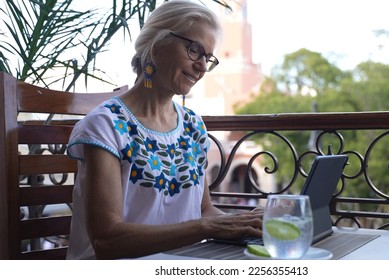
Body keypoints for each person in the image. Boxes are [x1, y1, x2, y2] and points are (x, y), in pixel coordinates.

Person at [66, 0, 262, 260]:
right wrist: (206, 227)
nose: (202, 67)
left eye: (208, 57)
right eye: (194, 49)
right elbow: (107, 240)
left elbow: (204, 210)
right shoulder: (105, 126)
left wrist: (244, 225)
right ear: (157, 45)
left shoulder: (193, 126)